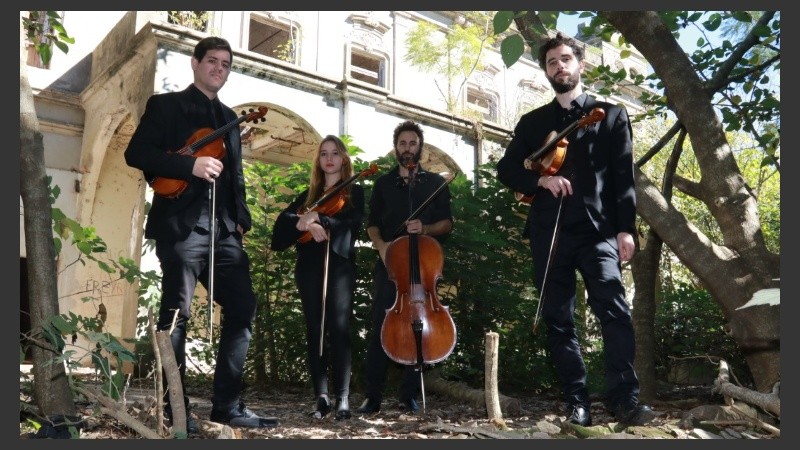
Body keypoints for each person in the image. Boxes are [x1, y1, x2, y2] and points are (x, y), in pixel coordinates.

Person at [495, 33, 655, 427]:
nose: (559, 67)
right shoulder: (533, 123)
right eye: (551, 62)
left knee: (614, 311)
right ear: (546, 70)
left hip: (599, 231)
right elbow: (507, 169)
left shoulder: (610, 114)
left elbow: (622, 178)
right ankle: (576, 401)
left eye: (565, 59)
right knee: (559, 319)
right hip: (550, 232)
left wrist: (626, 230)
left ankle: (623, 399)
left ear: (580, 65)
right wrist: (540, 182)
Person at [124, 36, 278, 430]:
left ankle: (227, 406)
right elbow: (137, 154)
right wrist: (188, 167)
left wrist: (241, 219)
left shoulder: (230, 117)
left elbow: (236, 178)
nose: (219, 69)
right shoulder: (166, 106)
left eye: (226, 64)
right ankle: (174, 409)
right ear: (195, 63)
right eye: (212, 61)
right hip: (181, 227)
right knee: (177, 314)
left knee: (243, 307)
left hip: (224, 231)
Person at [357, 120, 454, 414]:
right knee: (379, 327)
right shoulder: (384, 183)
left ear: (419, 148)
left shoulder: (435, 185)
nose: (407, 148)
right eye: (402, 143)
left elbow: (447, 223)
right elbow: (372, 224)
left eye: (412, 143)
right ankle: (372, 395)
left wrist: (424, 228)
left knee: (419, 327)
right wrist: (383, 246)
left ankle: (408, 394)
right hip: (390, 265)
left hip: (423, 268)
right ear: (395, 148)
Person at [270, 135, 365, 421]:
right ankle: (321, 396)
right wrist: (304, 222)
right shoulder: (309, 196)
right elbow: (281, 228)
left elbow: (353, 225)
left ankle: (344, 397)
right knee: (315, 329)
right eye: (324, 154)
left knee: (339, 328)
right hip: (309, 266)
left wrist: (320, 221)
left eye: (335, 153)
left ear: (344, 159)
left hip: (339, 266)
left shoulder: (353, 192)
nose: (329, 159)